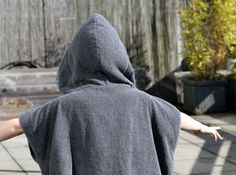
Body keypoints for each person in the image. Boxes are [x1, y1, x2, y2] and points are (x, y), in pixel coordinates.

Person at [0, 14, 222, 175]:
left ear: (75, 61)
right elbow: (174, 116)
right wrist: (202, 127)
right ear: (120, 58)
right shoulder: (144, 101)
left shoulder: (63, 107)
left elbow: (16, 125)